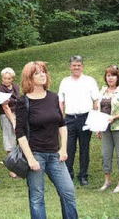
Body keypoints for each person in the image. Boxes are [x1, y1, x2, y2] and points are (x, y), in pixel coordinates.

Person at [16, 61, 78, 219]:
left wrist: (63, 149)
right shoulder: (24, 101)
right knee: (37, 198)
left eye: (43, 71)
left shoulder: (53, 97)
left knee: (68, 192)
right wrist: (30, 158)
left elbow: (62, 124)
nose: (42, 75)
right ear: (29, 78)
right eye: (37, 73)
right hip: (36, 155)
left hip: (55, 155)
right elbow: (20, 132)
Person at [57, 55, 100, 186]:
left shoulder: (90, 81)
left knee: (84, 147)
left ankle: (83, 175)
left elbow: (96, 100)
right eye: (74, 65)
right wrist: (61, 117)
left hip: (85, 118)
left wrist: (95, 119)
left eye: (78, 65)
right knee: (69, 147)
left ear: (82, 66)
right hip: (69, 118)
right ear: (70, 67)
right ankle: (68, 173)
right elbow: (60, 100)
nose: (76, 68)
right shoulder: (65, 81)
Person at [97, 66, 119, 193]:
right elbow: (98, 109)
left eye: (113, 75)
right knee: (106, 154)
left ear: (118, 77)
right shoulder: (103, 91)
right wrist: (98, 127)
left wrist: (115, 117)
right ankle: (107, 181)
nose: (110, 78)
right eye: (108, 75)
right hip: (106, 128)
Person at [0, 67, 20, 178]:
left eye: (8, 78)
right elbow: (5, 107)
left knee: (21, 140)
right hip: (6, 116)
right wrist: (13, 122)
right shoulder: (0, 89)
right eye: (4, 78)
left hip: (18, 114)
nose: (6, 80)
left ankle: (21, 165)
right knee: (10, 142)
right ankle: (12, 169)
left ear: (12, 78)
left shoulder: (15, 87)